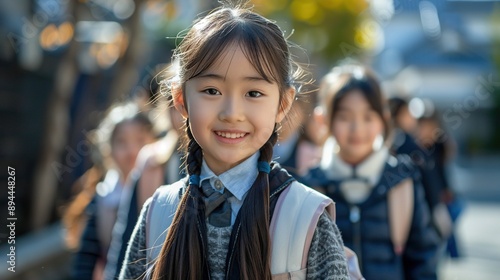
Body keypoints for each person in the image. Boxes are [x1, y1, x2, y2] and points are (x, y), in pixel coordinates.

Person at [119, 3, 350, 280]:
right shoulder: (158, 212)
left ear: (283, 103)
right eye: (211, 90)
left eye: (253, 93)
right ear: (181, 99)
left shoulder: (306, 218)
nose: (232, 114)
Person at [301, 64, 440, 280]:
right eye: (345, 117)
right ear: (324, 120)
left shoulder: (401, 182)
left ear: (383, 120)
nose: (358, 129)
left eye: (368, 117)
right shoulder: (309, 188)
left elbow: (423, 260)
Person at [63, 101, 155, 280]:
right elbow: (85, 261)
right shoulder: (102, 199)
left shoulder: (164, 191)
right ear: (109, 150)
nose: (132, 151)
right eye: (122, 142)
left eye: (140, 141)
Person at [389, 96, 453, 241]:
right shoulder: (405, 144)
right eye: (408, 113)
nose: (412, 118)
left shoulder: (404, 142)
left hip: (422, 208)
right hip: (422, 210)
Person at [415, 100, 462, 258]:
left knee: (446, 227)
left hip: (441, 194)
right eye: (423, 126)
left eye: (430, 126)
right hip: (428, 197)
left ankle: (453, 254)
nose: (426, 130)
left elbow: (448, 159)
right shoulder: (418, 149)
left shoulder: (439, 145)